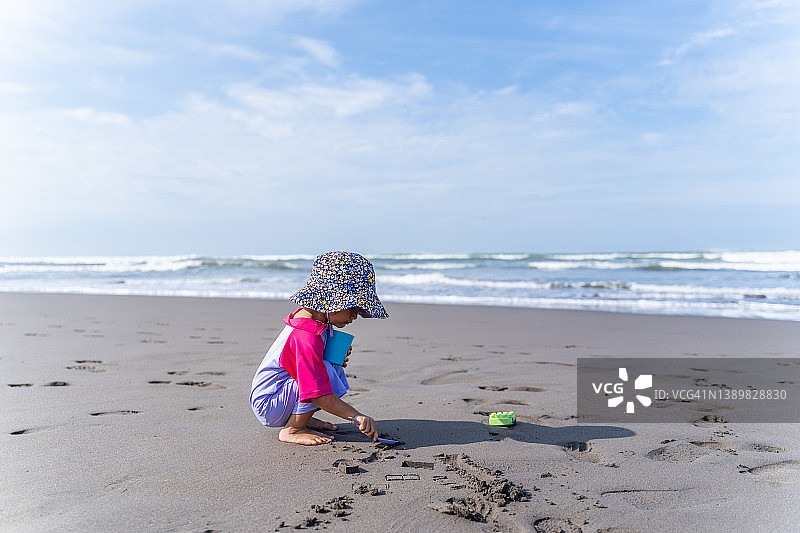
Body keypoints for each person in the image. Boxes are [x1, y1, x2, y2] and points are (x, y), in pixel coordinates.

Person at [250, 251, 388, 446]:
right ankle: (293, 429)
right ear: (332, 302)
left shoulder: (316, 321)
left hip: (281, 395)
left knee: (329, 368)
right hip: (269, 404)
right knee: (325, 375)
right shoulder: (305, 336)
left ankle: (301, 417)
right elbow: (318, 392)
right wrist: (356, 416)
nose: (356, 315)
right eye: (353, 307)